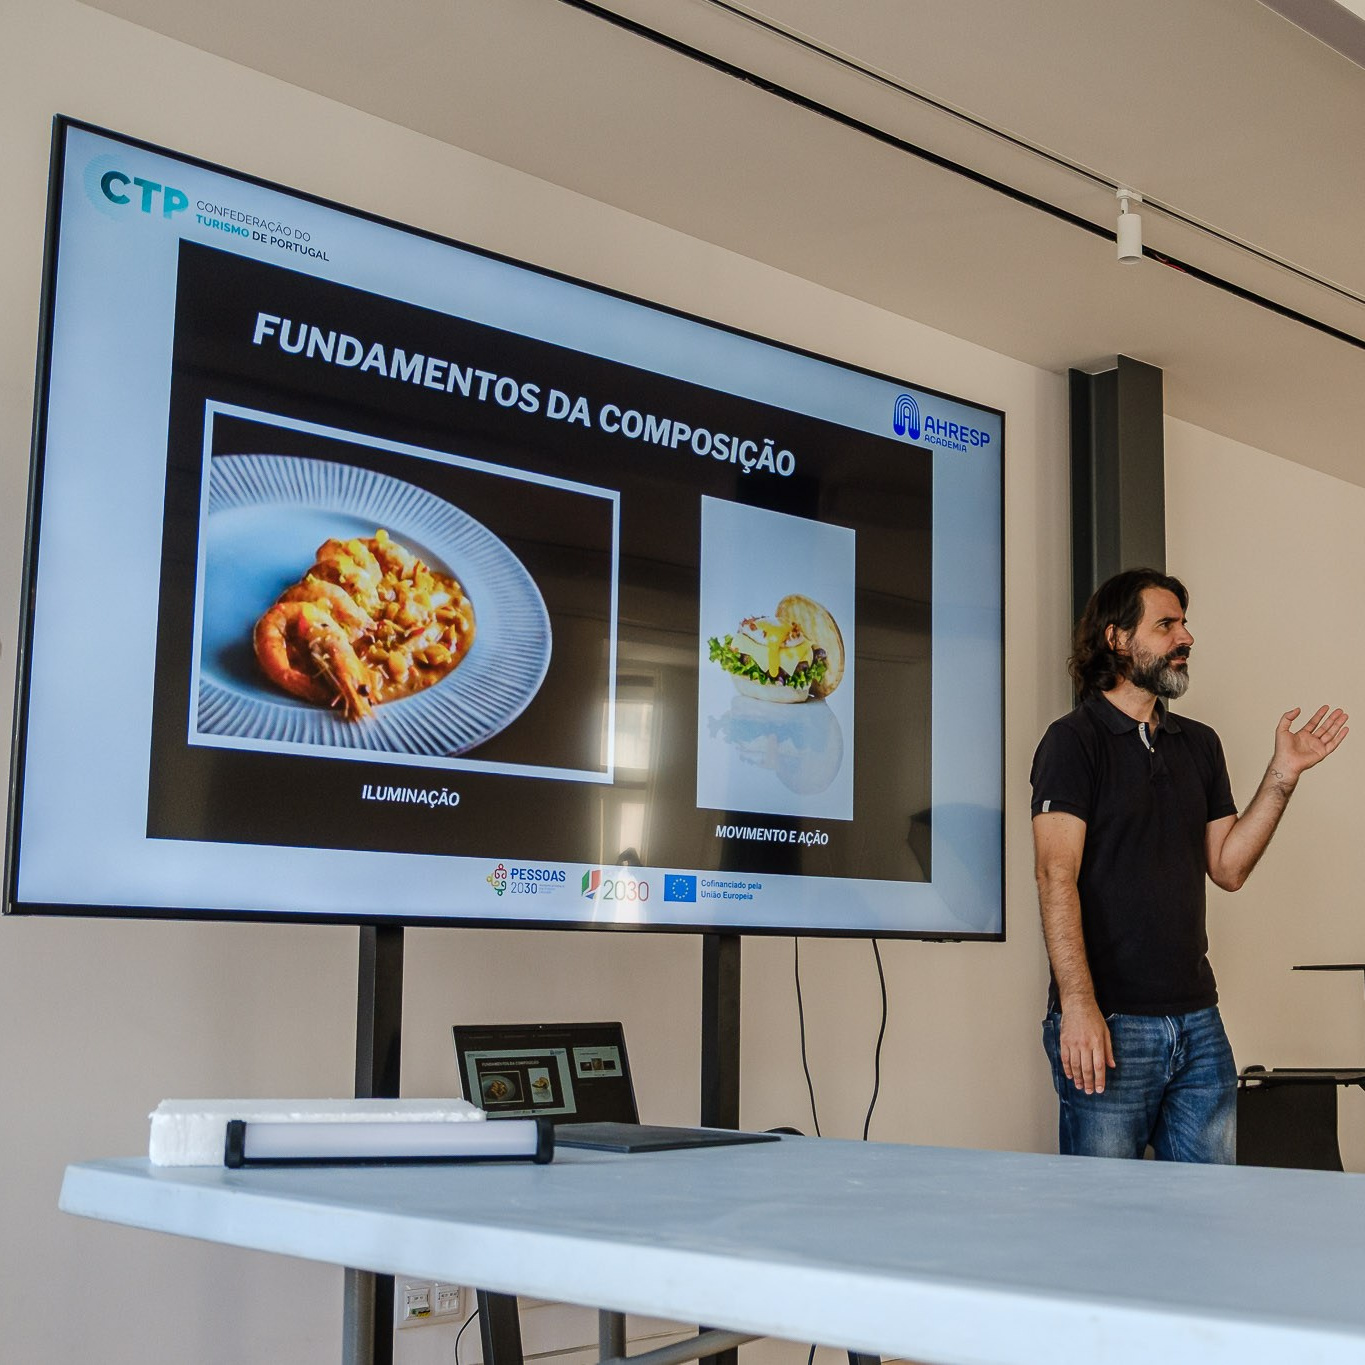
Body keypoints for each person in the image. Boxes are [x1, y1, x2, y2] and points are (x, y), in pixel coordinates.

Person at [1030, 568, 1348, 1162]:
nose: (1186, 638)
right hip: (1112, 1021)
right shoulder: (1072, 741)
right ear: (1117, 638)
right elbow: (1055, 876)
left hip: (1198, 1020)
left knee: (1208, 1206)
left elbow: (1227, 867)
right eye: (1166, 625)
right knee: (1105, 1208)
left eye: (1184, 624)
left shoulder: (1200, 743)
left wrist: (1283, 775)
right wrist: (1078, 1005)